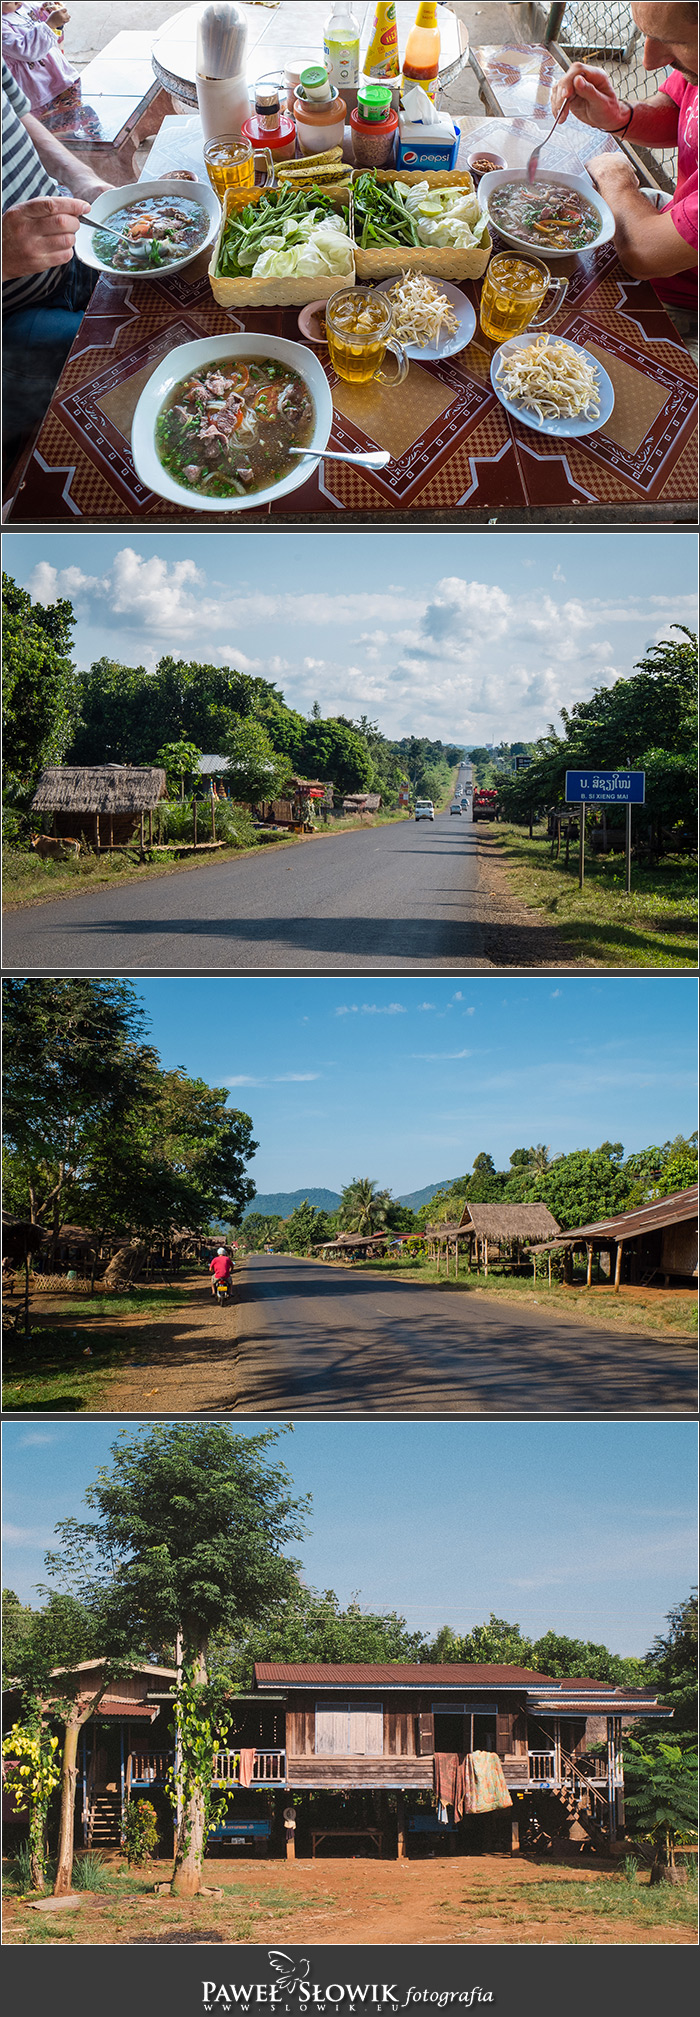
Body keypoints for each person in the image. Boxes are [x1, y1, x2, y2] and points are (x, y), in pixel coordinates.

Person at [2, 53, 115, 475]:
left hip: (70, 246)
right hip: (10, 320)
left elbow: (17, 114)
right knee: (125, 358)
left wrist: (79, 176)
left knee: (178, 289)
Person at [550, 2, 697, 313]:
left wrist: (615, 176)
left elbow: (643, 254)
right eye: (647, 35)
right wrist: (617, 116)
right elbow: (679, 109)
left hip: (682, 302)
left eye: (676, 42)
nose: (648, 61)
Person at [2, 5, 77, 113]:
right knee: (51, 123)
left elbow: (42, 17)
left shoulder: (25, 5)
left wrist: (51, 12)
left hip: (61, 73)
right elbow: (26, 50)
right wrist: (50, 24)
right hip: (39, 88)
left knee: (75, 112)